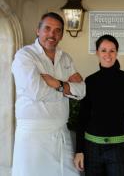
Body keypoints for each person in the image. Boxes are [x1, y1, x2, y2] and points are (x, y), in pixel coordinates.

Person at [11, 12, 86, 176]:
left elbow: (81, 91)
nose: (52, 34)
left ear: (61, 35)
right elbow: (36, 92)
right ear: (38, 30)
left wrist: (56, 84)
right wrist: (66, 88)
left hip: (61, 134)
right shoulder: (25, 56)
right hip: (33, 137)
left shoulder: (65, 58)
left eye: (57, 30)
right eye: (47, 28)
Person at [74, 34, 124, 176]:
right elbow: (83, 118)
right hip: (91, 149)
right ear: (97, 52)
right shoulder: (90, 81)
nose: (108, 55)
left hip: (118, 148)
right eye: (103, 50)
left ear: (117, 52)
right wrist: (79, 150)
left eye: (112, 50)